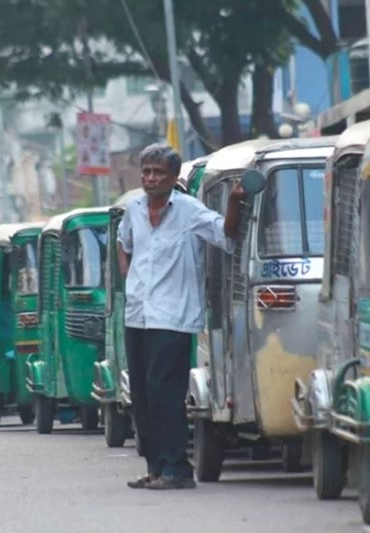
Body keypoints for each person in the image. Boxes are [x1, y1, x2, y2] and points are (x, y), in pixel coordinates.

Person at [117, 143, 245, 490]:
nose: (151, 178)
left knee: (165, 392)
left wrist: (234, 203)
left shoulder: (189, 211)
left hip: (172, 316)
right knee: (141, 395)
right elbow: (123, 242)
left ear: (174, 178)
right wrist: (130, 278)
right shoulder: (134, 209)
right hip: (137, 315)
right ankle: (156, 467)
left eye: (159, 172)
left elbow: (226, 235)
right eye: (146, 171)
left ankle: (177, 468)